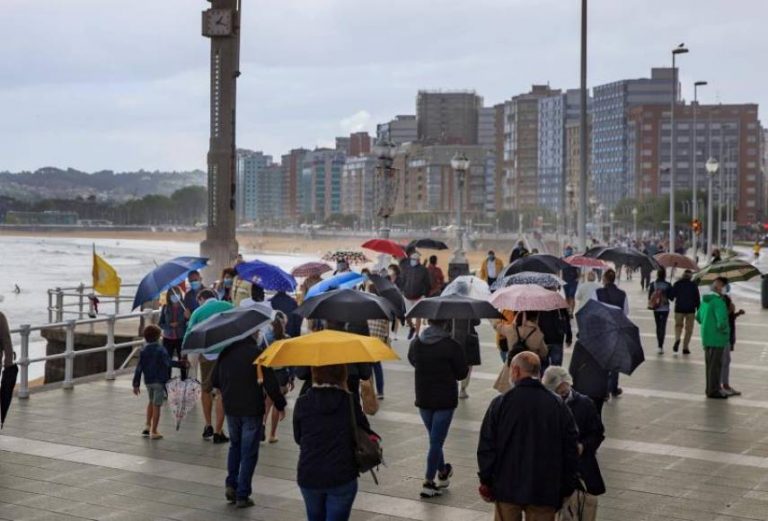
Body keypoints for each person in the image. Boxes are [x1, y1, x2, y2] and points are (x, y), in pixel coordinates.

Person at [477, 352, 579, 521]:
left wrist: (486, 481)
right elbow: (570, 448)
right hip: (545, 489)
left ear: (516, 371)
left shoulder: (501, 403)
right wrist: (567, 486)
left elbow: (487, 446)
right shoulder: (557, 405)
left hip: (507, 487)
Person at [293, 364, 378, 521]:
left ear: (314, 374)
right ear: (342, 375)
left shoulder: (302, 402)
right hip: (342, 474)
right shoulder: (349, 402)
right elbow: (363, 430)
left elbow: (298, 438)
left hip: (309, 473)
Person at [212, 333, 286, 508]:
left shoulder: (225, 352)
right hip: (251, 408)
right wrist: (280, 404)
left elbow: (215, 380)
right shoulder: (257, 353)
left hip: (231, 408)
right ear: (252, 334)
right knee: (249, 452)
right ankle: (242, 494)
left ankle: (231, 484)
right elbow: (270, 382)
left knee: (235, 446)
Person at [408, 319, 468, 498]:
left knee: (435, 440)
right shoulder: (451, 345)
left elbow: (413, 361)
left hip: (424, 397)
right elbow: (461, 373)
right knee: (436, 442)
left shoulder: (417, 343)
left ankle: (443, 470)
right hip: (445, 400)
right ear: (446, 324)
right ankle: (428, 482)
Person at [542, 367, 605, 521]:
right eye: (557, 390)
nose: (562, 391)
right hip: (555, 470)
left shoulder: (585, 403)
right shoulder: (546, 406)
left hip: (581, 468)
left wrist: (583, 446)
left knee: (582, 510)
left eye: (564, 387)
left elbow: (597, 433)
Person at [185, 289, 232, 443]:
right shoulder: (229, 306)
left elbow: (189, 334)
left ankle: (208, 425)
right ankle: (219, 431)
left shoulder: (198, 312)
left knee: (206, 389)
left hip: (208, 355)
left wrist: (185, 354)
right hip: (226, 354)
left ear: (201, 298)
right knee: (221, 392)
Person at [132, 325, 187, 440]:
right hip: (159, 381)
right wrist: (181, 363)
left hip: (148, 381)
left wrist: (136, 384)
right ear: (158, 337)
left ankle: (147, 425)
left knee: (151, 402)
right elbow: (168, 363)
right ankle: (154, 430)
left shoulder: (143, 350)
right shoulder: (161, 350)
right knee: (157, 405)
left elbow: (139, 368)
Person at [259, 311, 293, 443]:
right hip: (282, 374)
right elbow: (291, 360)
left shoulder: (266, 338)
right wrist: (291, 377)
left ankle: (262, 426)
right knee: (277, 405)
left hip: (269, 373)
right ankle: (272, 434)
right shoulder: (287, 338)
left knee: (267, 402)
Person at [695, 277, 731, 399]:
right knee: (715, 366)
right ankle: (714, 391)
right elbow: (721, 323)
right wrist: (726, 331)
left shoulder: (705, 301)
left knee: (709, 366)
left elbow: (698, 317)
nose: (726, 288)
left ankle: (709, 389)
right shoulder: (718, 302)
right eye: (725, 286)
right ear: (719, 287)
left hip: (707, 337)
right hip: (717, 339)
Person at [594, 269, 627, 397]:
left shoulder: (598, 292)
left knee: (603, 359)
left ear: (605, 279)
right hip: (616, 329)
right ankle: (613, 387)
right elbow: (625, 313)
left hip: (602, 330)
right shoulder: (622, 294)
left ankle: (603, 389)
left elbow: (594, 310)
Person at [399, 251, 431, 340]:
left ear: (418, 260)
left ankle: (417, 334)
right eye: (412, 259)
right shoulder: (406, 268)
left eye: (415, 259)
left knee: (418, 315)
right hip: (407, 295)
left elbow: (427, 283)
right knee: (407, 315)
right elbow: (402, 280)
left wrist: (425, 295)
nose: (413, 261)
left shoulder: (423, 270)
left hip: (419, 296)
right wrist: (402, 290)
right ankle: (412, 328)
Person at [158, 288, 188, 380]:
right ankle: (167, 381)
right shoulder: (165, 307)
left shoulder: (185, 307)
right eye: (172, 295)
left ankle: (184, 380)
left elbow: (189, 323)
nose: (175, 296)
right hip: (168, 338)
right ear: (168, 296)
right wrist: (170, 325)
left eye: (177, 294)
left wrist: (187, 317)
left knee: (183, 360)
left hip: (181, 337)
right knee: (167, 361)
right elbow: (160, 324)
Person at [721, 285, 745, 397]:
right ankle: (723, 386)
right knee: (723, 362)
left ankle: (725, 385)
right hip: (723, 337)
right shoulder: (720, 300)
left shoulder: (725, 298)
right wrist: (730, 311)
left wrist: (737, 314)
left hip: (728, 337)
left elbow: (730, 318)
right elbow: (721, 319)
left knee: (726, 361)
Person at [367, 286, 390, 400]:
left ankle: (370, 390)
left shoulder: (366, 304)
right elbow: (386, 325)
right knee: (377, 366)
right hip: (378, 340)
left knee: (368, 368)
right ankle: (380, 392)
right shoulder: (383, 305)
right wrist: (386, 338)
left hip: (368, 339)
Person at [670, 269, 701, 355]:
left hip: (679, 309)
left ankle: (677, 339)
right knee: (689, 329)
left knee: (678, 326)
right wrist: (699, 310)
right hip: (690, 310)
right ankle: (685, 347)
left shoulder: (677, 284)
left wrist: (670, 288)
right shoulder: (693, 285)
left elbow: (671, 297)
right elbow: (697, 299)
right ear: (690, 276)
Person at [452, 319, 481, 399]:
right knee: (468, 364)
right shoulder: (470, 307)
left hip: (454, 336)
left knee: (453, 363)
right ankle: (463, 389)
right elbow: (477, 321)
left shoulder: (450, 308)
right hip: (468, 338)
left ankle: (454, 384)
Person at [647, 268, 672, 355]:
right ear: (665, 275)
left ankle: (659, 346)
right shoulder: (668, 284)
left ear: (657, 274)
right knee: (663, 326)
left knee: (658, 326)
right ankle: (661, 345)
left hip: (656, 308)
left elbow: (649, 297)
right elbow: (671, 298)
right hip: (665, 308)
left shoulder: (653, 284)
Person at [561, 246, 579, 314]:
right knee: (567, 297)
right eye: (566, 249)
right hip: (565, 281)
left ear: (571, 251)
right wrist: (560, 279)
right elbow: (560, 270)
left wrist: (578, 278)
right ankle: (567, 310)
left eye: (569, 250)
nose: (567, 251)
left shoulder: (575, 259)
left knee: (572, 296)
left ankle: (571, 312)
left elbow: (578, 270)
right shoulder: (562, 259)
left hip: (573, 281)